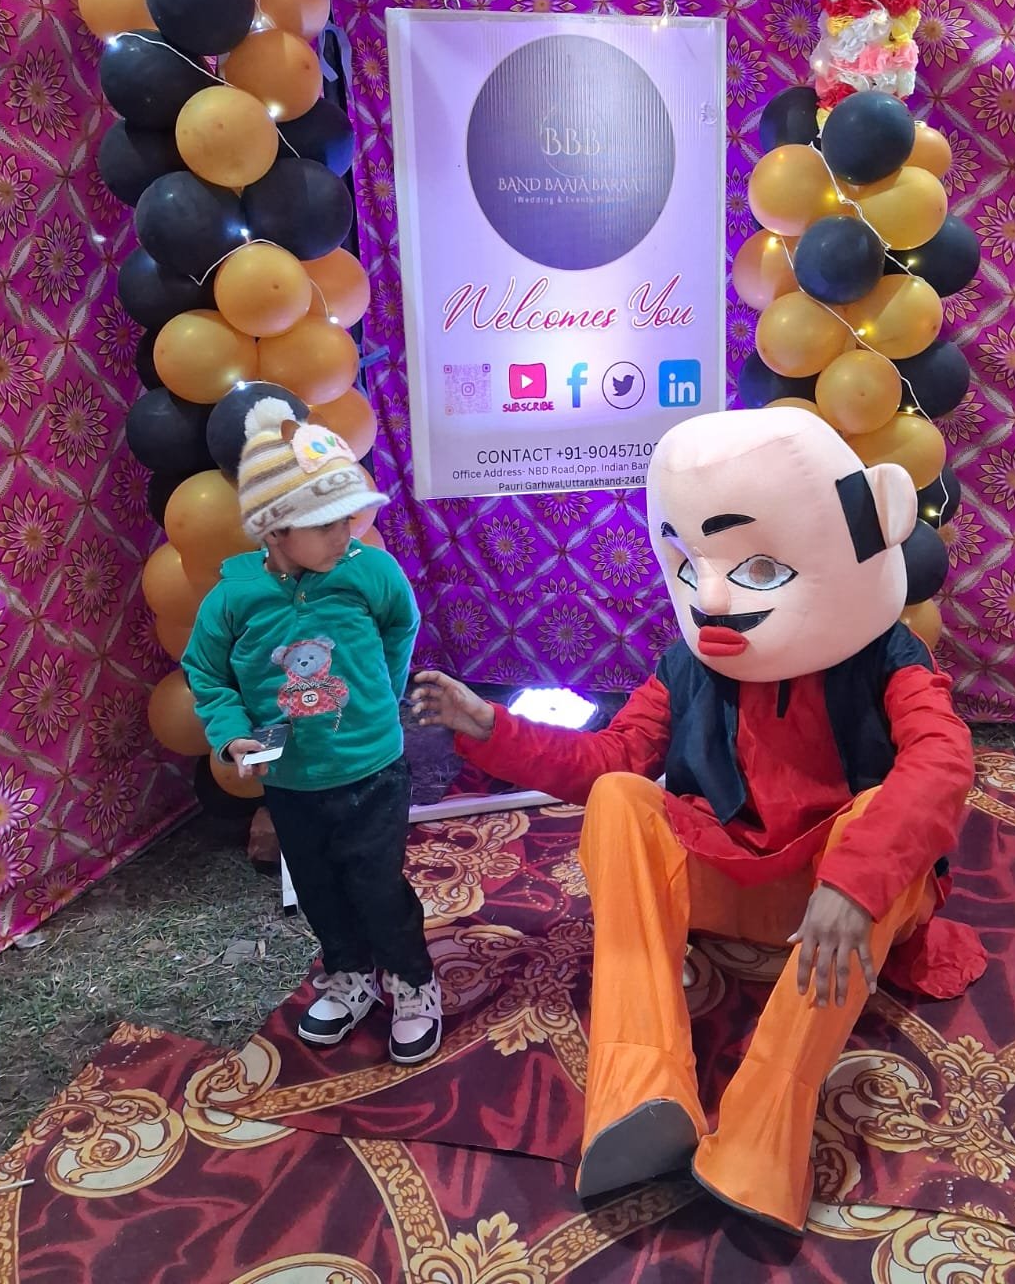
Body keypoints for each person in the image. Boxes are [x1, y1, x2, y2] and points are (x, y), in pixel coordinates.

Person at [413, 406, 984, 1232]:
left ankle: (763, 1133)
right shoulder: (685, 665)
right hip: (738, 880)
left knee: (878, 817)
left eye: (758, 568)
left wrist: (856, 880)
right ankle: (640, 1087)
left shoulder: (889, 655)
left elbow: (941, 761)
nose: (711, 597)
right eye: (690, 565)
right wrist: (490, 727)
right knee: (622, 799)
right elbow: (611, 757)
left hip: (840, 903)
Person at [183, 397, 441, 1065]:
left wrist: (381, 690)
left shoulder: (369, 571)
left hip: (374, 769)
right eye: (325, 524)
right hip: (293, 782)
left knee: (377, 885)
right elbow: (205, 672)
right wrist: (231, 733)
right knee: (321, 888)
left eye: (349, 517)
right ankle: (350, 976)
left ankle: (412, 982)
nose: (344, 534)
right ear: (273, 529)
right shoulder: (233, 598)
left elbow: (401, 623)